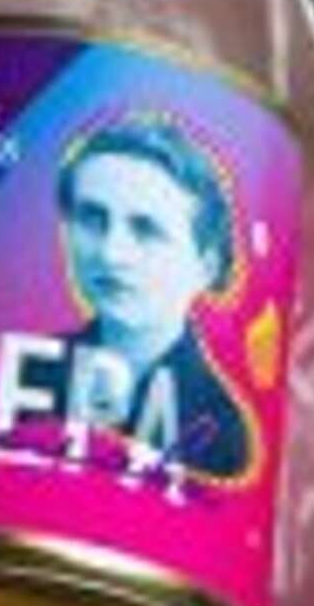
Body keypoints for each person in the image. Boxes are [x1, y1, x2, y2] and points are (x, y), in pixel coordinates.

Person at [53, 115, 251, 480]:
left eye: (146, 230)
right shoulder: (28, 373)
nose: (111, 253)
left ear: (206, 267)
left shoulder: (219, 429)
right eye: (93, 219)